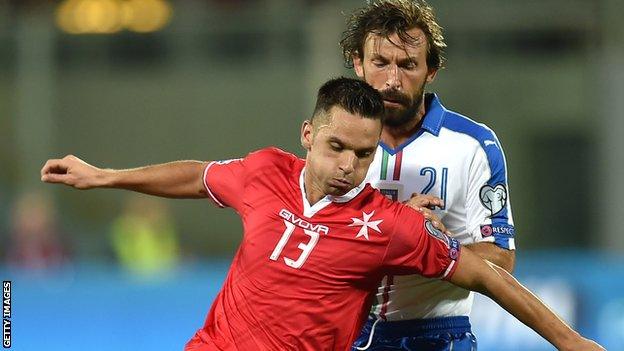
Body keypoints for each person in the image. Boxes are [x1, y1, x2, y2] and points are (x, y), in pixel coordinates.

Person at [40, 78, 602, 351]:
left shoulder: (390, 226)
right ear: (308, 136)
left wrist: (571, 342)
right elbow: (199, 174)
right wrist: (104, 175)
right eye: (336, 147)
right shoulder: (265, 173)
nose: (349, 164)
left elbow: (487, 275)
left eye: (364, 154)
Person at [340, 1, 515, 349]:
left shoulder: (474, 145)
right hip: (348, 330)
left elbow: (501, 258)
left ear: (431, 70)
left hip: (437, 335)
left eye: (408, 65)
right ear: (358, 63)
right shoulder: (337, 141)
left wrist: (435, 247)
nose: (392, 80)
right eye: (380, 63)